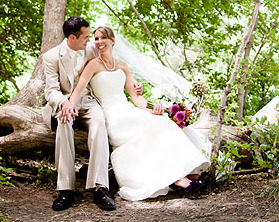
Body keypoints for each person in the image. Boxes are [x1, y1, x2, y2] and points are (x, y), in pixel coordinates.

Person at [68, 26, 211, 201]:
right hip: (112, 115)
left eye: (103, 38)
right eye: (96, 39)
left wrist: (153, 108)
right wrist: (69, 106)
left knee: (161, 122)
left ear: (112, 41)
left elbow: (136, 98)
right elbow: (78, 89)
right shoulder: (93, 65)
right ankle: (178, 180)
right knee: (147, 130)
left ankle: (185, 173)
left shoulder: (122, 66)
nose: (99, 42)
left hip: (127, 108)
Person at [41, 16, 116, 211]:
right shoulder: (51, 57)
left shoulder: (91, 48)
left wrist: (133, 85)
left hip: (89, 101)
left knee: (99, 123)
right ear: (72, 37)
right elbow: (51, 90)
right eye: (85, 37)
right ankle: (66, 189)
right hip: (65, 102)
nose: (89, 40)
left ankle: (100, 187)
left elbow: (112, 64)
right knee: (64, 124)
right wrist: (65, 103)